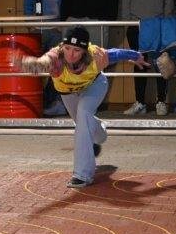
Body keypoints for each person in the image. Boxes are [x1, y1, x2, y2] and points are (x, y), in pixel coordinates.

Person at [20, 27, 148, 188]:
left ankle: (82, 175)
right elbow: (42, 63)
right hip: (67, 92)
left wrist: (135, 55)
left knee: (83, 114)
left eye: (76, 50)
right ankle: (99, 132)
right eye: (67, 48)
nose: (70, 54)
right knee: (84, 123)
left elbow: (116, 54)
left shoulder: (95, 56)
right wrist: (29, 63)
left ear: (84, 51)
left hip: (94, 85)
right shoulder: (56, 58)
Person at [121, 0, 175, 117]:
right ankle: (140, 102)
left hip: (158, 22)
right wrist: (127, 22)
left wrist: (166, 20)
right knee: (139, 63)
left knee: (161, 62)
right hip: (137, 24)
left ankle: (161, 101)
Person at [22, 0, 66, 117]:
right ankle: (36, 102)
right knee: (36, 68)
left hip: (56, 32)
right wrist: (30, 26)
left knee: (57, 68)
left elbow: (68, 5)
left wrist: (62, 26)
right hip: (37, 32)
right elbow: (27, 6)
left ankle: (50, 102)